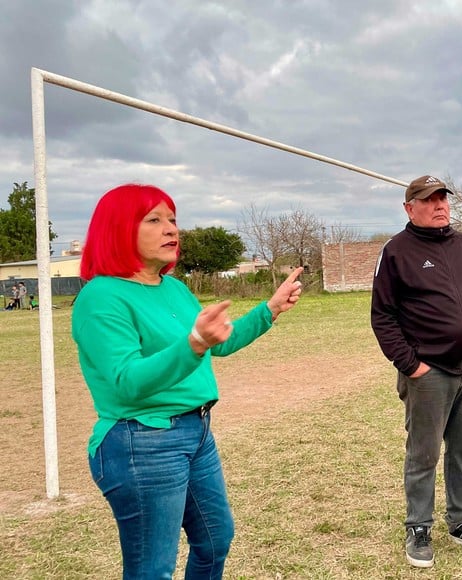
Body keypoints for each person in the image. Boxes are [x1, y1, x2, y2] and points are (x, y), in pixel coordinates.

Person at [71, 183, 304, 579]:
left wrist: (270, 310)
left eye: (173, 219)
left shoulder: (174, 288)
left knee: (215, 541)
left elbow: (218, 345)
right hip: (141, 441)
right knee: (152, 570)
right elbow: (127, 381)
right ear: (119, 228)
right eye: (154, 220)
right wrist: (194, 343)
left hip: (196, 432)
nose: (171, 230)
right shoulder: (101, 296)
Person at [370, 175, 462, 569]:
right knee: (423, 453)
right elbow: (382, 316)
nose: (439, 205)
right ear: (410, 208)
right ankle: (419, 527)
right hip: (429, 374)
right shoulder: (397, 251)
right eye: (429, 200)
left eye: (443, 198)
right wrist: (412, 365)